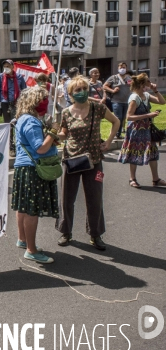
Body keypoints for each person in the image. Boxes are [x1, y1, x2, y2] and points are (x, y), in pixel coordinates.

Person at [56, 76, 120, 250]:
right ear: (70, 93)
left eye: (84, 89)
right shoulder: (66, 112)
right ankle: (66, 232)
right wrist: (54, 135)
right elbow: (64, 133)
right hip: (71, 159)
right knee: (67, 199)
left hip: (94, 160)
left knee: (95, 199)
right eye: (77, 90)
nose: (82, 92)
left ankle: (95, 234)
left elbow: (116, 121)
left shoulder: (97, 108)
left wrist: (108, 142)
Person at [12, 86, 59, 264]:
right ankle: (31, 250)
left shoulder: (24, 119)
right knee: (31, 211)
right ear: (35, 101)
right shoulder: (31, 121)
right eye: (43, 99)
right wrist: (53, 131)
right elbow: (40, 148)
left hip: (24, 168)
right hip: (33, 168)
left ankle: (23, 239)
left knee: (23, 207)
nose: (46, 102)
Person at [117, 73, 166, 187]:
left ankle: (156, 179)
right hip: (136, 130)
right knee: (134, 153)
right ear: (142, 84)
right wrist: (148, 115)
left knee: (153, 153)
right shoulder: (134, 98)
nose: (150, 83)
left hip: (147, 130)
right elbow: (129, 116)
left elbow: (162, 102)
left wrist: (155, 90)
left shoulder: (146, 95)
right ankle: (132, 178)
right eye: (148, 81)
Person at [0, 59, 26, 156]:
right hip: (5, 104)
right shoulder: (0, 77)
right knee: (8, 125)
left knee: (18, 124)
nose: (6, 68)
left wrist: (25, 104)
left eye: (8, 66)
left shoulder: (19, 77)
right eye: (5, 66)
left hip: (17, 103)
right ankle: (11, 147)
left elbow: (24, 91)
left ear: (13, 67)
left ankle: (21, 146)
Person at [103, 62, 132, 139]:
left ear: (126, 68)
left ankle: (119, 134)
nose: (122, 69)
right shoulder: (114, 77)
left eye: (124, 67)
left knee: (123, 118)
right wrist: (112, 90)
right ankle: (116, 134)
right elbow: (105, 86)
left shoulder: (129, 78)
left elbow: (134, 87)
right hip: (116, 101)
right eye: (121, 67)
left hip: (126, 101)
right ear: (118, 69)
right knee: (118, 118)